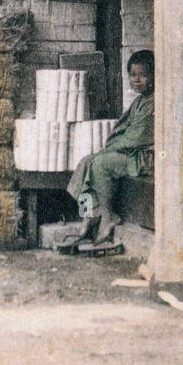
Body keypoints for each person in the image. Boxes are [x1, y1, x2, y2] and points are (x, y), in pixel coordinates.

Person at [65, 50, 154, 246]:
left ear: (154, 76)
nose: (137, 80)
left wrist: (109, 149)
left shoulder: (154, 103)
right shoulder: (139, 102)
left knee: (101, 165)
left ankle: (107, 216)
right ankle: (88, 215)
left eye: (143, 75)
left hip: (142, 157)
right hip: (128, 152)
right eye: (133, 75)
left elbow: (137, 138)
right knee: (86, 162)